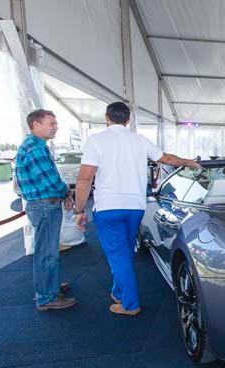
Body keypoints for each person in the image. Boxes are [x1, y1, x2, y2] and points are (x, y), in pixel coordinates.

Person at [73, 102, 200, 316]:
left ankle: (130, 304)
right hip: (135, 207)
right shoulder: (139, 140)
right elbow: (166, 158)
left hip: (108, 208)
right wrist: (189, 162)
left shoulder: (96, 140)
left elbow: (85, 178)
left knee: (117, 255)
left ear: (107, 118)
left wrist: (79, 210)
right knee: (124, 253)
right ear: (128, 119)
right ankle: (120, 292)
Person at [15, 109, 76, 311]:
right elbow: (49, 179)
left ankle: (48, 287)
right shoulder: (35, 149)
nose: (56, 127)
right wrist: (67, 192)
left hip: (42, 205)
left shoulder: (34, 146)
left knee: (47, 250)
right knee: (47, 253)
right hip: (44, 206)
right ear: (36, 124)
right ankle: (47, 297)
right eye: (51, 123)